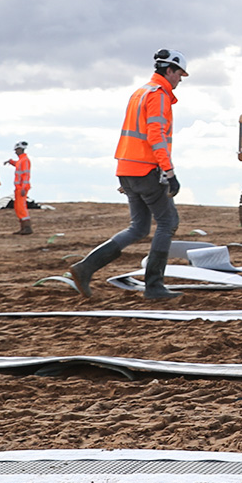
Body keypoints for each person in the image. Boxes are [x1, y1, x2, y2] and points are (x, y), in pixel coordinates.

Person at [70, 48, 189, 300]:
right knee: (168, 222)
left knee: (138, 227)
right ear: (169, 70)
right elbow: (155, 134)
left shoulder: (140, 92)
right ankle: (154, 286)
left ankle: (85, 268)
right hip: (146, 169)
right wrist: (169, 171)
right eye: (179, 74)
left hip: (127, 169)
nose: (180, 79)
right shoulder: (158, 95)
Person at [4, 140, 33, 235]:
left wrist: (24, 188)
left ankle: (27, 227)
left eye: (16, 150)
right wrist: (11, 162)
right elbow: (18, 165)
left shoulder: (25, 160)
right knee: (18, 207)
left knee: (21, 207)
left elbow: (26, 175)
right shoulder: (22, 160)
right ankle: (23, 227)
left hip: (21, 188)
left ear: (21, 149)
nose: (15, 152)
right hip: (19, 187)